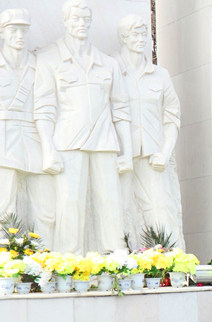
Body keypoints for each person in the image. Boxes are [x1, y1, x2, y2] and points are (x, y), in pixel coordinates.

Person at [34, 0, 132, 254]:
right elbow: (43, 108)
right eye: (76, 19)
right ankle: (69, 256)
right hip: (67, 141)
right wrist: (48, 149)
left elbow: (121, 109)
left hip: (105, 142)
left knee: (110, 200)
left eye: (86, 20)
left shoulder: (108, 63)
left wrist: (127, 152)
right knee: (70, 201)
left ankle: (116, 254)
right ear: (65, 21)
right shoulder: (48, 60)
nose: (81, 24)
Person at [114, 15, 183, 248]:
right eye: (135, 34)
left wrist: (165, 152)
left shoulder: (160, 75)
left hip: (153, 155)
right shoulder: (111, 70)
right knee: (120, 211)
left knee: (162, 210)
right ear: (123, 38)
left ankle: (169, 260)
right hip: (119, 155)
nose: (141, 39)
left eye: (145, 34)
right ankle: (119, 260)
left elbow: (171, 117)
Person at [0, 9, 55, 245]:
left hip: (34, 138)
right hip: (4, 139)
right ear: (2, 33)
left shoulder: (39, 65)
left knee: (46, 209)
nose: (19, 36)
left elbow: (48, 102)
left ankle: (50, 256)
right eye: (13, 30)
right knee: (4, 207)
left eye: (24, 30)